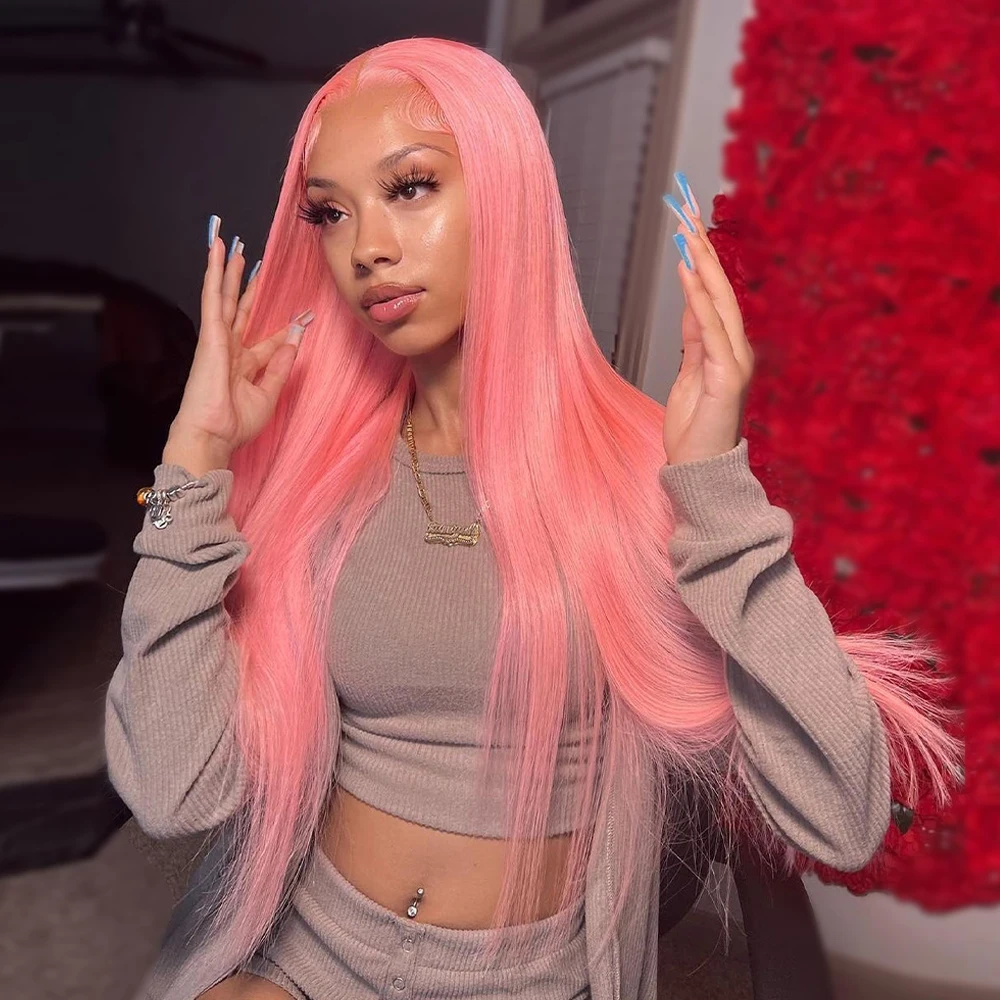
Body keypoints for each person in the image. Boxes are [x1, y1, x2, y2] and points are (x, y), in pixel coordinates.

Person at [104, 36, 963, 1000]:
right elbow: (174, 792)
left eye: (411, 187)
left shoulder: (647, 470)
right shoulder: (315, 475)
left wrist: (716, 492)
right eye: (331, 212)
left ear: (507, 190)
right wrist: (193, 461)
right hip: (309, 951)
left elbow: (844, 816)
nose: (367, 248)